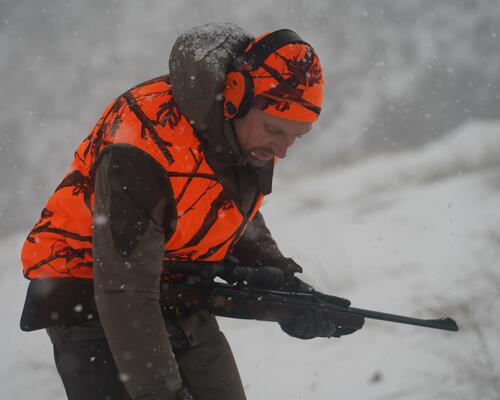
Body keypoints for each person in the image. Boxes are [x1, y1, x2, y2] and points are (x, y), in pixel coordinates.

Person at [19, 22, 345, 400]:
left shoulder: (244, 136)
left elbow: (223, 207)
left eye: (295, 137)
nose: (284, 149)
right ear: (236, 97)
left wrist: (285, 287)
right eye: (276, 131)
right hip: (86, 291)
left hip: (175, 283)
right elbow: (125, 290)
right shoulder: (140, 147)